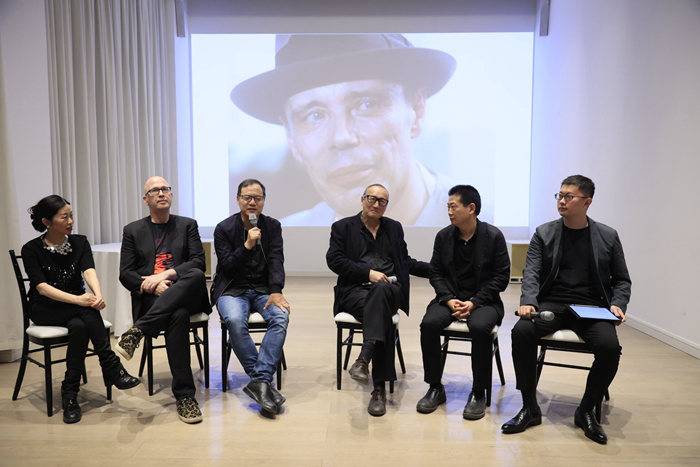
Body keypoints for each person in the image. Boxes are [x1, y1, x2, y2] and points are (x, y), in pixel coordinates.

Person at [231, 33, 473, 226]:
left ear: (416, 111)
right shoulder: (281, 241)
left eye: (367, 104)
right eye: (314, 116)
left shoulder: (482, 228)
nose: (342, 137)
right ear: (292, 139)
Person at [501, 175, 631, 445]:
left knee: (609, 348)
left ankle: (586, 410)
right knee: (522, 331)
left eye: (568, 197)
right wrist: (529, 301)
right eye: (559, 195)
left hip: (591, 308)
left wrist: (617, 304)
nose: (561, 201)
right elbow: (531, 272)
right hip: (552, 304)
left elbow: (622, 280)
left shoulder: (607, 236)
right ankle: (529, 407)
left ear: (587, 202)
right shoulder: (544, 233)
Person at [21, 195, 139, 424]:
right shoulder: (31, 249)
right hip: (45, 308)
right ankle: (111, 366)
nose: (70, 221)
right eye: (64, 217)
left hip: (77, 307)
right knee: (86, 312)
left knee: (80, 326)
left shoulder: (80, 242)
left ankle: (70, 393)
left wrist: (97, 295)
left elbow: (88, 270)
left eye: (71, 215)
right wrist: (80, 301)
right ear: (46, 222)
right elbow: (42, 288)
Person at [326, 183, 430, 416]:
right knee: (381, 313)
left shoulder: (394, 228)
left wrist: (437, 270)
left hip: (390, 290)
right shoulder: (342, 227)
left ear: (386, 205)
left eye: (381, 201)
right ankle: (379, 390)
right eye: (371, 198)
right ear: (362, 199)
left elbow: (405, 261)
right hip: (355, 291)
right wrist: (368, 274)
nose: (375, 204)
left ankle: (364, 359)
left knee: (382, 291)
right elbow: (334, 260)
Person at [116, 176, 211, 424]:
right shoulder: (132, 230)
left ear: (171, 194)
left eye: (165, 189)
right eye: (155, 190)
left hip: (186, 292)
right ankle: (185, 397)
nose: (161, 193)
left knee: (196, 275)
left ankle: (137, 331)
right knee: (177, 315)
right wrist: (154, 286)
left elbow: (198, 262)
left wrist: (164, 276)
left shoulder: (187, 225)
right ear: (145, 199)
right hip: (154, 299)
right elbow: (126, 274)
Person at [416, 185, 510, 419]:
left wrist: (475, 302)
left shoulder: (493, 236)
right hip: (450, 298)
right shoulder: (444, 236)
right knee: (428, 325)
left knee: (479, 327)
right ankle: (435, 387)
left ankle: (478, 391)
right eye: (447, 206)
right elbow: (436, 273)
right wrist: (449, 299)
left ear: (471, 208)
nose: (449, 211)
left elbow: (501, 277)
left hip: (484, 301)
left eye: (453, 206)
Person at [211, 179, 290, 418]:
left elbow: (276, 260)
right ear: (238, 200)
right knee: (235, 321)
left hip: (263, 289)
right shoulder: (224, 228)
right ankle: (263, 381)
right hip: (231, 289)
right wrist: (247, 245)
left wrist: (276, 290)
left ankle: (259, 381)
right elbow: (227, 266)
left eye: (257, 198)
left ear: (264, 201)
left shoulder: (273, 226)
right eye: (247, 197)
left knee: (281, 316)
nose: (252, 202)